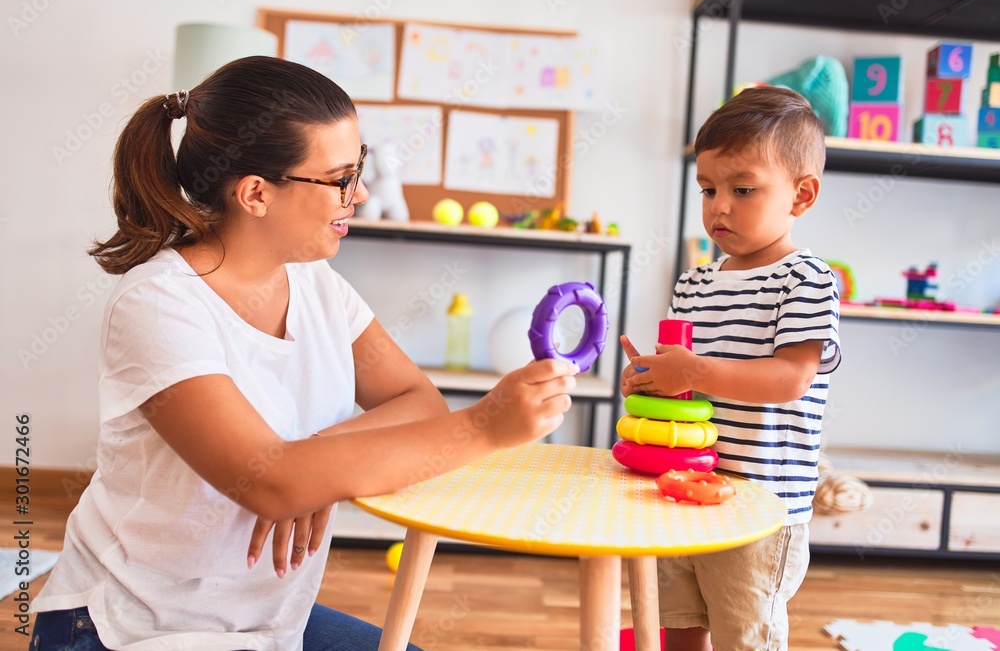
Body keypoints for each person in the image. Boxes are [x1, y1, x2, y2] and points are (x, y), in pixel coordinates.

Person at [30, 55, 577, 651]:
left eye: (360, 167)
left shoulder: (318, 285)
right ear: (256, 194)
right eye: (340, 177)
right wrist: (485, 427)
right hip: (133, 625)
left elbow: (416, 399)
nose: (361, 193)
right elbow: (266, 483)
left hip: (269, 622)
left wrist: (316, 462)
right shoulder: (157, 305)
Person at [619, 86, 841, 651]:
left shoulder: (807, 279)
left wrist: (691, 370)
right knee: (679, 622)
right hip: (685, 490)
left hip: (762, 509)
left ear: (802, 194)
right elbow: (685, 383)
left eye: (742, 190)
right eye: (708, 188)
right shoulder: (695, 282)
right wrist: (651, 383)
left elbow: (791, 379)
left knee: (747, 635)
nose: (719, 205)